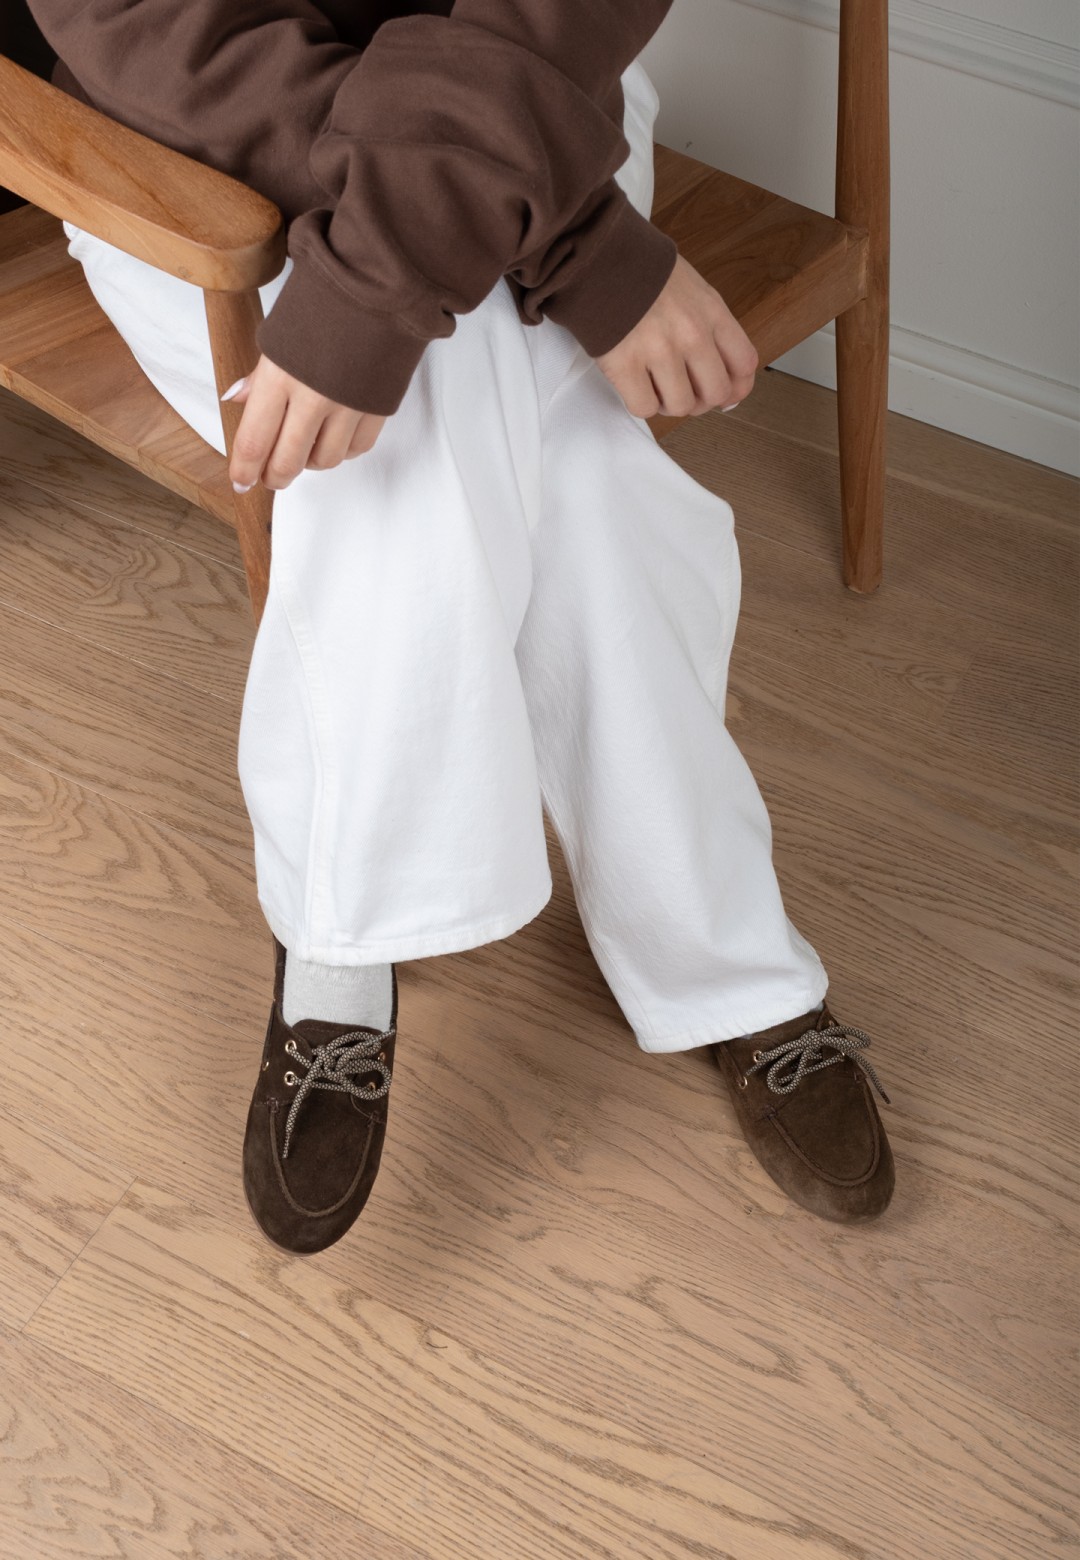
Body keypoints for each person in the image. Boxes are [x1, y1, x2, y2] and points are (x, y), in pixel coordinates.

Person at [28, 0, 895, 1253]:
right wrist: (573, 249)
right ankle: (728, 951)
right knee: (507, 433)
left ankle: (340, 947)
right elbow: (157, 25)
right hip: (200, 148)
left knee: (448, 407)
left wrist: (419, 263)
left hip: (543, 98)